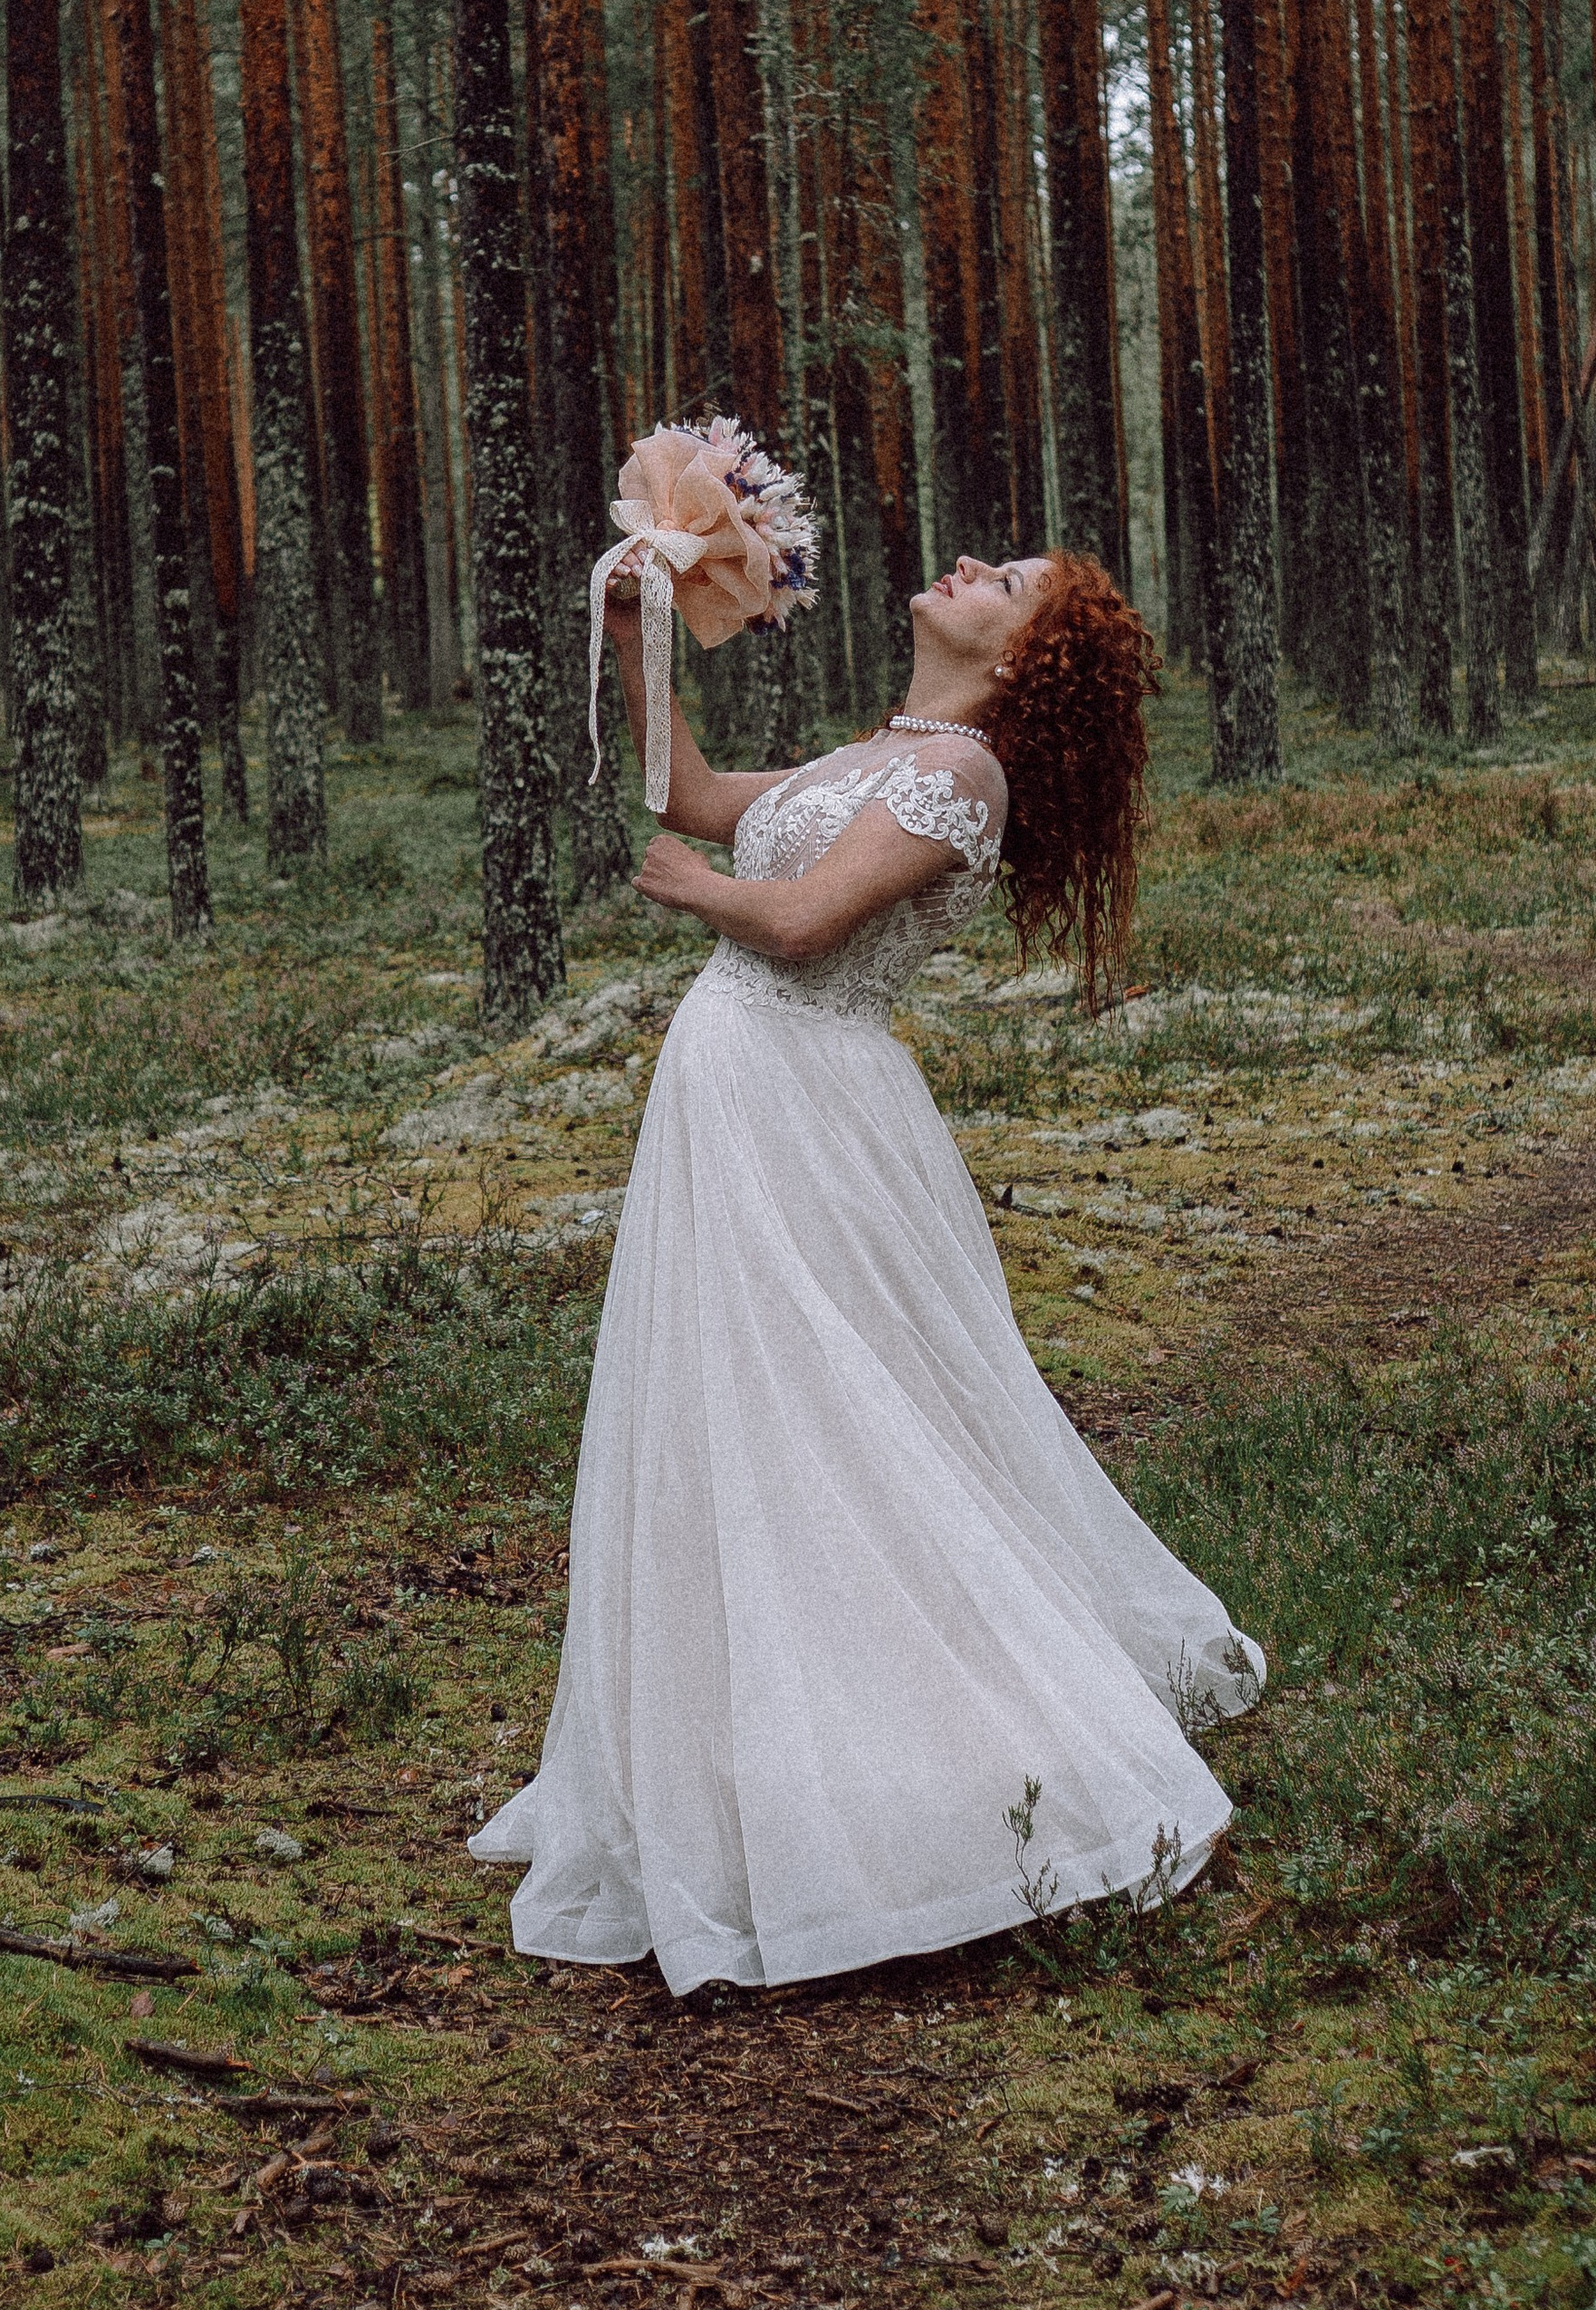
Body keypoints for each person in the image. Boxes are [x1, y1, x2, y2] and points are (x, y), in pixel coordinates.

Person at [469, 551, 1264, 1993]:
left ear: (1022, 656)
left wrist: (695, 893)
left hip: (807, 1107)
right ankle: (767, 1744)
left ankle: (919, 1760)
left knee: (842, 1414)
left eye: (1004, 580)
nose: (970, 565)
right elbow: (696, 798)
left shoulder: (966, 776)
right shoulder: (885, 751)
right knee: (741, 1413)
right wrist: (643, 644)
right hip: (738, 1094)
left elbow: (801, 919)